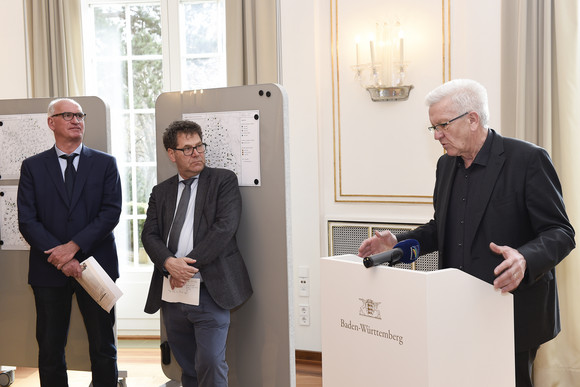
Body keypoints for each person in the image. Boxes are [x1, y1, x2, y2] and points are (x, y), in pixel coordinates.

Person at [357, 79, 575, 387]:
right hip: (457, 307)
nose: (436, 135)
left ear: (472, 119)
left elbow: (561, 232)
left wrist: (525, 259)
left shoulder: (527, 160)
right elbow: (440, 228)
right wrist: (399, 242)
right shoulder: (445, 166)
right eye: (432, 127)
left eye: (442, 125)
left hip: (512, 310)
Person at [17, 98, 122, 387]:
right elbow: (27, 220)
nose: (77, 120)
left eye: (80, 115)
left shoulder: (105, 164)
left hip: (96, 266)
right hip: (48, 270)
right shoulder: (33, 167)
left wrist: (72, 248)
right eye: (68, 115)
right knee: (50, 349)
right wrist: (61, 258)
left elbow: (110, 212)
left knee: (103, 347)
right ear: (52, 122)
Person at [142, 120, 252, 387]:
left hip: (209, 289)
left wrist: (184, 268)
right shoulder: (161, 191)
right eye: (188, 149)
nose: (197, 153)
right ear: (172, 154)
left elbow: (223, 230)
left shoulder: (223, 181)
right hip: (172, 292)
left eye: (200, 146)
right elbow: (149, 234)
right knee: (187, 365)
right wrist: (169, 263)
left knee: (211, 362)